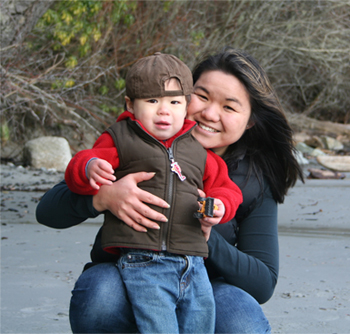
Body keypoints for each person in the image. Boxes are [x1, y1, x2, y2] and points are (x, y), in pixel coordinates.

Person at [36, 47, 304, 333]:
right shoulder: (134, 142)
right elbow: (48, 211)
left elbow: (262, 283)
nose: (209, 113)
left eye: (229, 107)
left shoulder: (251, 180)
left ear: (250, 120)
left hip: (203, 287)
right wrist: (104, 197)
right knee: (100, 296)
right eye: (201, 97)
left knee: (242, 320)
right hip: (128, 275)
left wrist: (200, 234)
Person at [63, 52, 243, 333]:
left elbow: (226, 188)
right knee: (159, 326)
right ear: (130, 105)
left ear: (186, 107)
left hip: (193, 261)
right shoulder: (121, 138)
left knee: (200, 323)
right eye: (152, 101)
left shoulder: (197, 149)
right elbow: (79, 165)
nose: (163, 110)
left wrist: (219, 205)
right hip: (143, 259)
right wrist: (89, 168)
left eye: (174, 102)